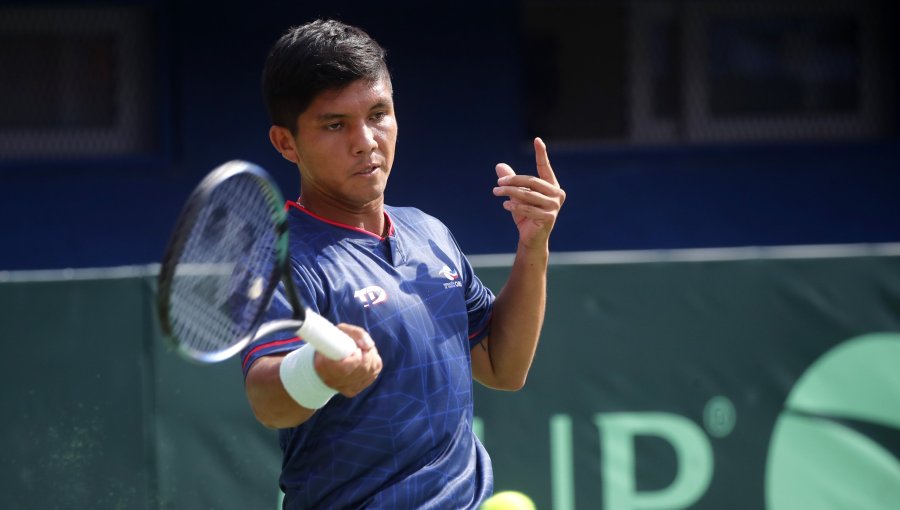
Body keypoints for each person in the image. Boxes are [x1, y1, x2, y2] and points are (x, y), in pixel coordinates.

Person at [240, 19, 565, 509]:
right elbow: (267, 398)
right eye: (335, 124)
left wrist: (533, 246)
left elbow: (503, 365)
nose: (365, 140)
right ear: (286, 143)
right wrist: (319, 373)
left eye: (378, 114)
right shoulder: (282, 261)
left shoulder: (428, 231)